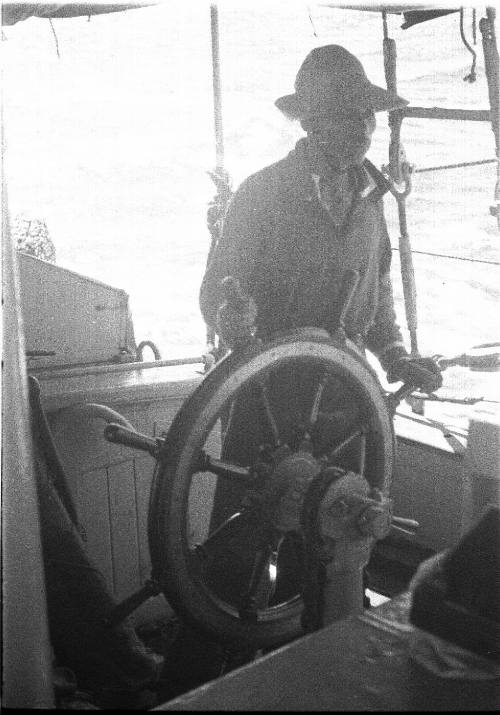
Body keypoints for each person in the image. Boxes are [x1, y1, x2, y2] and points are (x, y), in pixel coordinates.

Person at [198, 45, 443, 605]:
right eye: (347, 113)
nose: (364, 126)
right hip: (268, 400)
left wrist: (397, 355)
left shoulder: (371, 197)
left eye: (368, 115)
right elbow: (217, 289)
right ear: (310, 122)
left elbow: (376, 294)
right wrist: (230, 316)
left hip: (346, 404)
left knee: (339, 539)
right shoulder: (261, 194)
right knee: (237, 558)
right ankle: (205, 679)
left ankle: (321, 665)